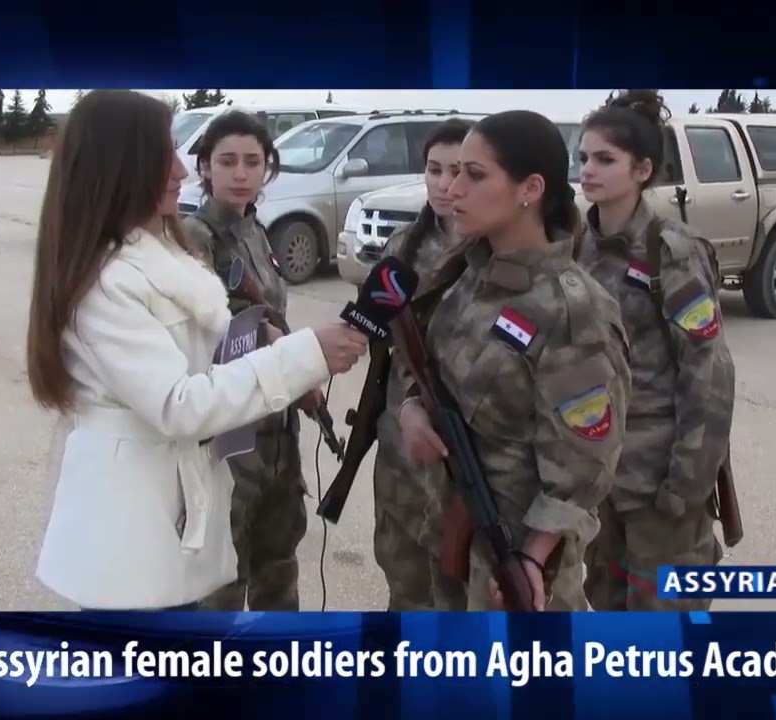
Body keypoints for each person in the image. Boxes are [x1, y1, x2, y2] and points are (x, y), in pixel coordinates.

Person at [26, 90, 368, 611]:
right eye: (165, 154)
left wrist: (266, 338)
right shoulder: (107, 282)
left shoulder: (156, 252)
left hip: (174, 507)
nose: (183, 171)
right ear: (121, 165)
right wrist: (306, 355)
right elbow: (178, 404)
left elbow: (206, 347)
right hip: (133, 530)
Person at [397, 110, 633, 611]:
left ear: (529, 188)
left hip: (516, 567)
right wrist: (412, 409)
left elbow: (585, 464)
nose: (453, 188)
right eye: (453, 170)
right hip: (448, 536)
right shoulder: (465, 272)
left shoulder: (572, 310)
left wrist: (530, 558)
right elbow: (425, 367)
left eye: (474, 175)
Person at [573, 90, 737, 612]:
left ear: (642, 169)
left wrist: (686, 486)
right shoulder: (578, 246)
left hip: (659, 481)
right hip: (599, 479)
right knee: (606, 609)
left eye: (604, 160)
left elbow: (708, 374)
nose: (588, 171)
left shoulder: (672, 252)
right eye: (582, 158)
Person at [179, 110, 308, 611]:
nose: (240, 173)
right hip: (232, 431)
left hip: (277, 427)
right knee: (225, 574)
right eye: (227, 161)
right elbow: (209, 332)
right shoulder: (196, 236)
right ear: (205, 168)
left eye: (252, 162)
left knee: (279, 563)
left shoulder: (257, 232)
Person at [372, 118, 473, 611]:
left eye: (459, 170)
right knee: (404, 579)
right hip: (400, 444)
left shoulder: (497, 254)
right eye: (434, 169)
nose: (444, 183)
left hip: (463, 449)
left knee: (456, 590)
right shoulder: (401, 250)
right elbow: (368, 331)